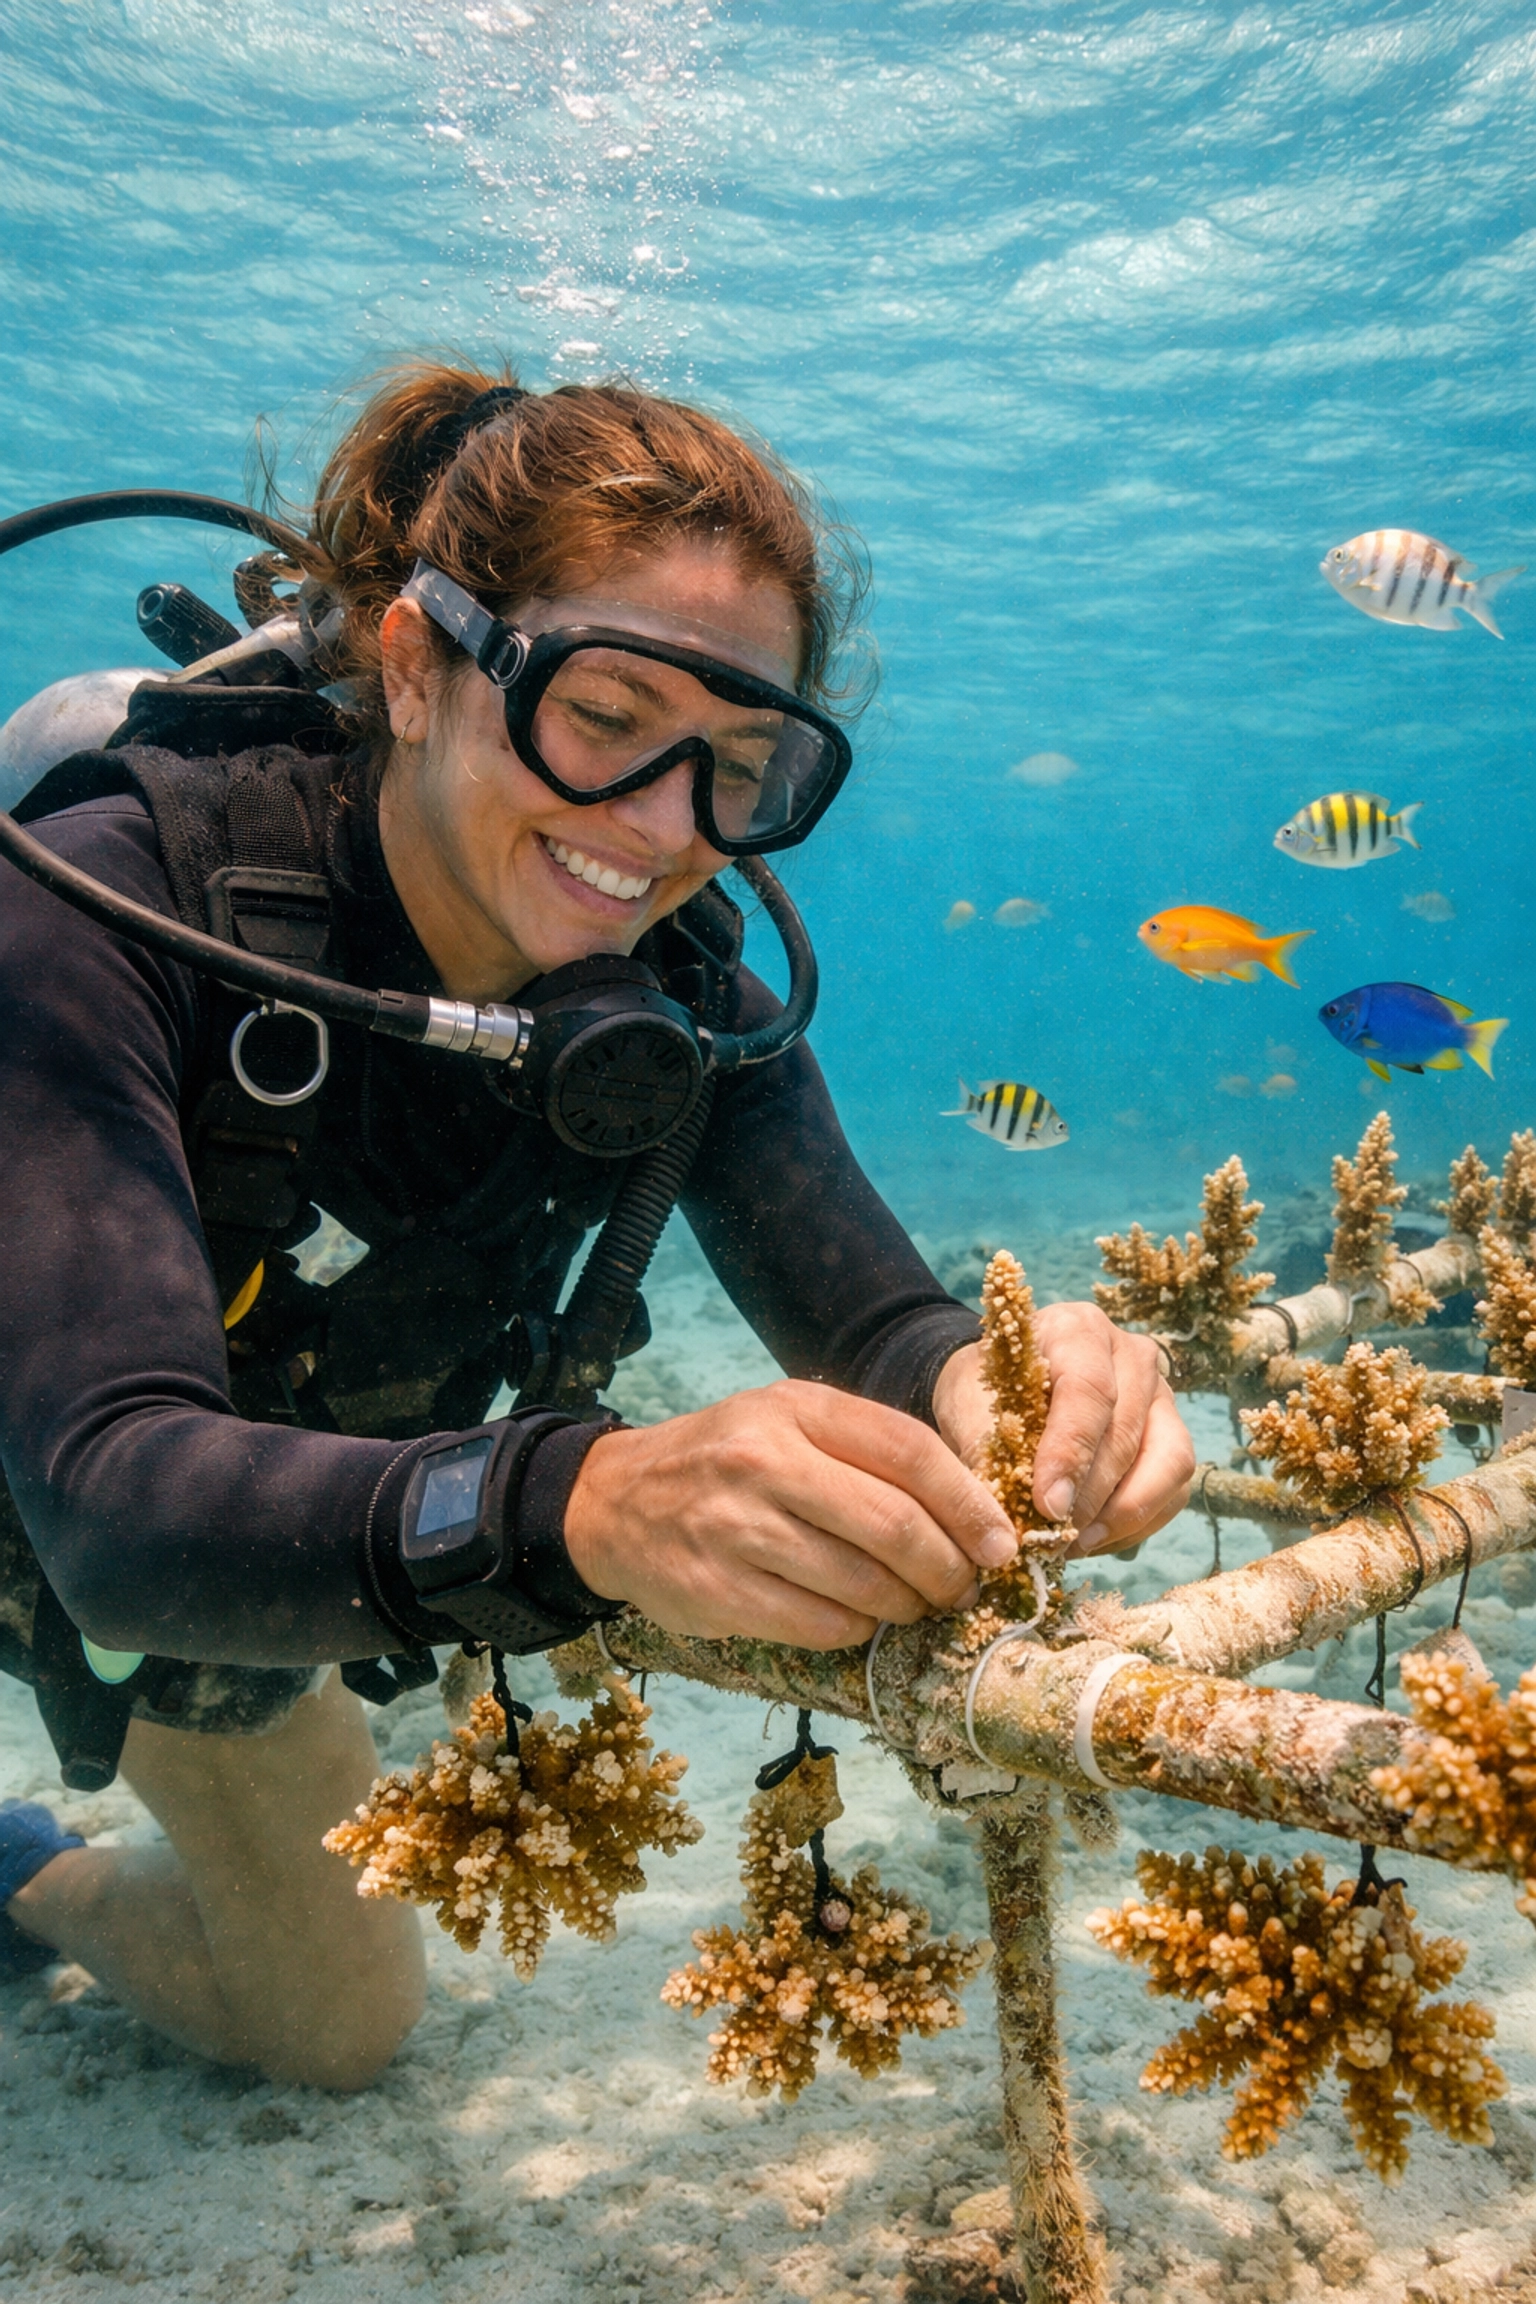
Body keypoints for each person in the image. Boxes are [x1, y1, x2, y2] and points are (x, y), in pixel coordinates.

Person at [0, 363, 1194, 2088]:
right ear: (416, 669)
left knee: (333, 2029)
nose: (659, 828)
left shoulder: (679, 995)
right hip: (68, 1475)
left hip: (236, 1543)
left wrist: (1010, 1379)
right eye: (603, 714)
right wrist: (581, 1497)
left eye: (736, 765)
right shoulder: (112, 904)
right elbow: (109, 1496)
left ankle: (27, 1877)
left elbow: (878, 1328)